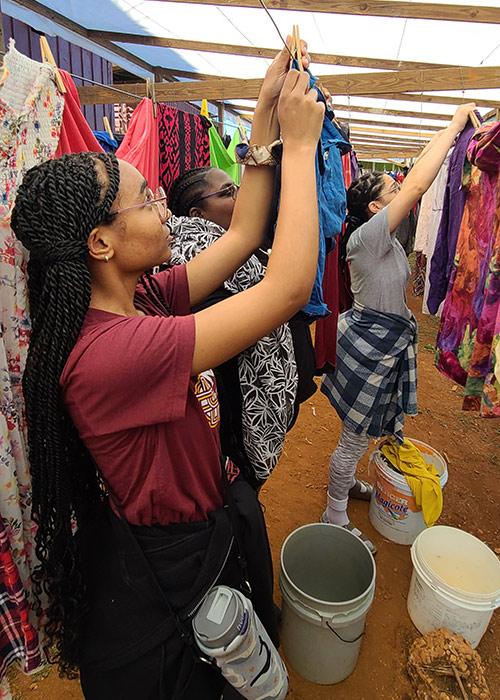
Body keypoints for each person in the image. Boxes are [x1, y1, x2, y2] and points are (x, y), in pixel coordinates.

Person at [11, 43, 324, 700]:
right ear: (101, 242)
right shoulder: (112, 354)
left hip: (207, 519)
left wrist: (265, 115)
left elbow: (240, 238)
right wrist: (299, 150)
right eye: (147, 202)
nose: (164, 211)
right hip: (173, 560)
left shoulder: (143, 296)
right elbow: (288, 287)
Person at [320, 104, 477, 554]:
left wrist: (450, 133)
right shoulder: (368, 237)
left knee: (366, 431)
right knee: (355, 436)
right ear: (374, 207)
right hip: (371, 345)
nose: (402, 188)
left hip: (382, 342)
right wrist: (453, 126)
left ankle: (344, 487)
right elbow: (420, 183)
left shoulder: (381, 238)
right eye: (393, 188)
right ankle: (333, 512)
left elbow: (414, 183)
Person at [167, 166, 315, 488]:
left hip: (251, 420)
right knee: (240, 503)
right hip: (238, 433)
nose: (239, 197)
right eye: (227, 193)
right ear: (196, 214)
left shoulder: (241, 252)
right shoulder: (197, 276)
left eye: (237, 188)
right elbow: (287, 293)